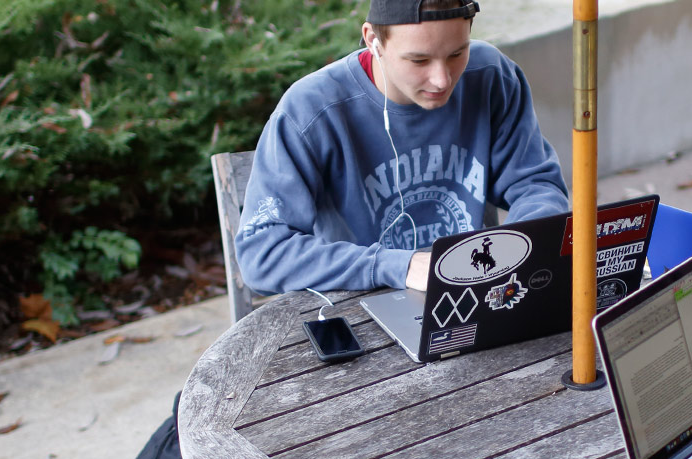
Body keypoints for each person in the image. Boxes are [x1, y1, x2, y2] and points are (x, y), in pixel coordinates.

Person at [233, 0, 569, 295]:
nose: (442, 79)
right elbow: (261, 255)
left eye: (456, 53)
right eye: (419, 60)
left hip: (479, 288)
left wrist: (516, 254)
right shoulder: (310, 111)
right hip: (361, 301)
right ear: (372, 41)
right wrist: (397, 266)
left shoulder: (491, 75)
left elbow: (537, 187)